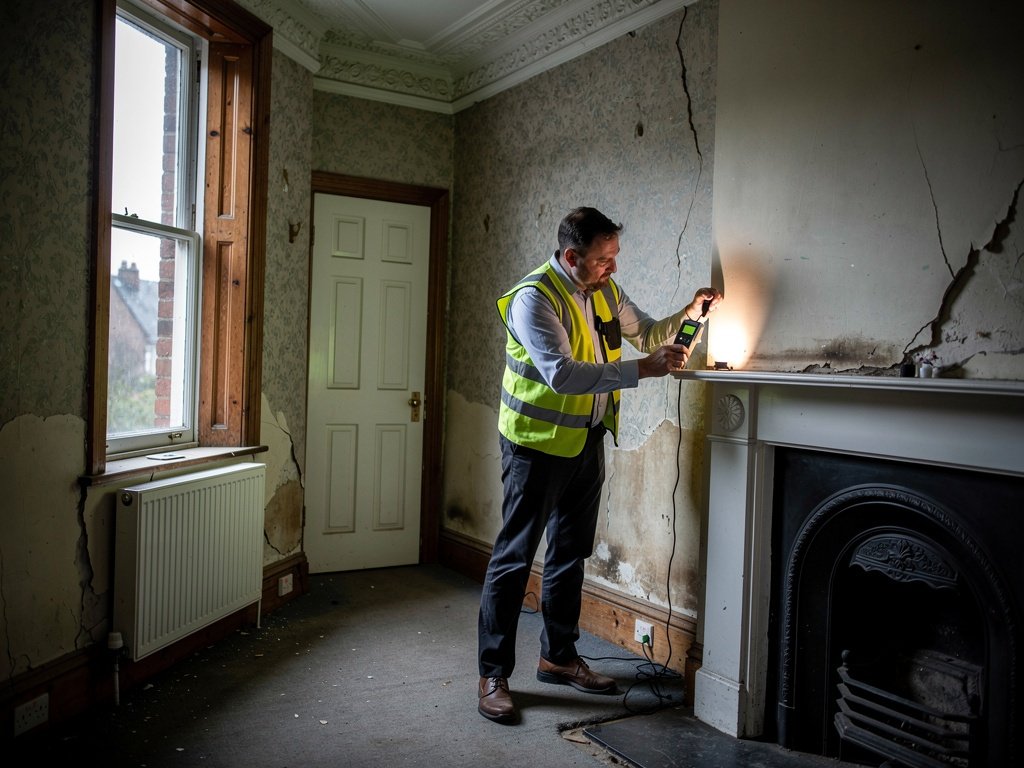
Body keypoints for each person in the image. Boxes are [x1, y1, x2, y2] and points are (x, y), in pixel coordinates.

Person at [477, 206, 722, 724]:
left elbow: (650, 335)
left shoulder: (606, 291)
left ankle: (558, 657)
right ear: (572, 257)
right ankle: (493, 673)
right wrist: (642, 371)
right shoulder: (534, 299)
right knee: (515, 557)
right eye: (603, 259)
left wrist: (692, 314)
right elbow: (562, 374)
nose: (613, 267)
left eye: (614, 257)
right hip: (533, 446)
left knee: (570, 552)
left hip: (585, 440)